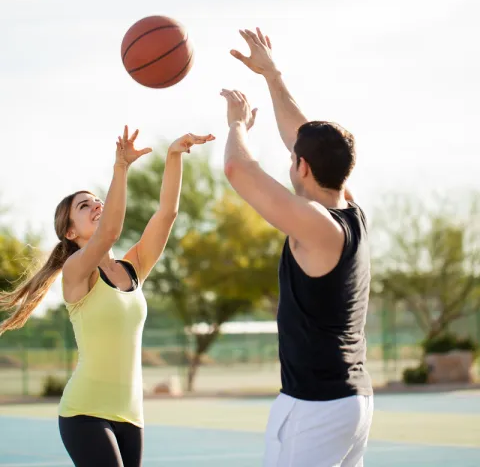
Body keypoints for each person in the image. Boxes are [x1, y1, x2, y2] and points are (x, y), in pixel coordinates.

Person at [0, 126, 214, 467]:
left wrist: (174, 156)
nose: (97, 205)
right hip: (84, 412)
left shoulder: (132, 269)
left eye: (98, 201)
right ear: (71, 232)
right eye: (85, 206)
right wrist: (121, 167)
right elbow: (110, 230)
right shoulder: (76, 271)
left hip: (131, 415)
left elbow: (166, 215)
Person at [221, 28, 373, 467]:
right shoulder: (350, 209)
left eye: (293, 158)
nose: (291, 159)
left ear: (302, 167)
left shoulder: (317, 225)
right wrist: (271, 75)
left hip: (316, 407)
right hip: (348, 401)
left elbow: (238, 168)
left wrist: (236, 124)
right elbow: (302, 137)